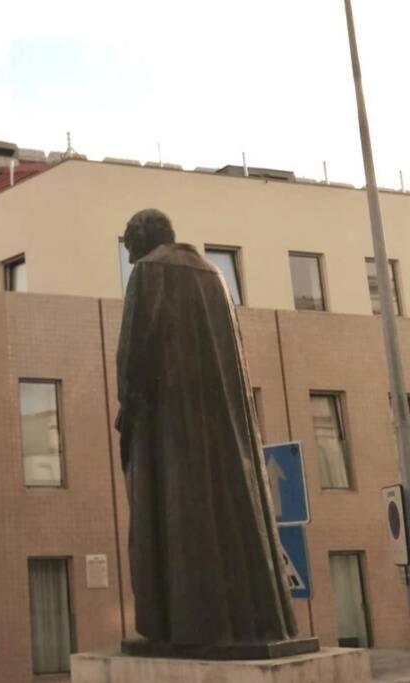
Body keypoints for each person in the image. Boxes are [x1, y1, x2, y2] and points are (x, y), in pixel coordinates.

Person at [116, 208, 297, 649]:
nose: (126, 251)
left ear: (143, 238)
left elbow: (134, 352)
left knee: (175, 515)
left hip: (171, 424)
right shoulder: (213, 274)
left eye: (128, 242)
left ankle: (183, 625)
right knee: (227, 512)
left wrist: (128, 406)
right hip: (223, 428)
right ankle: (248, 621)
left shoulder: (148, 273)